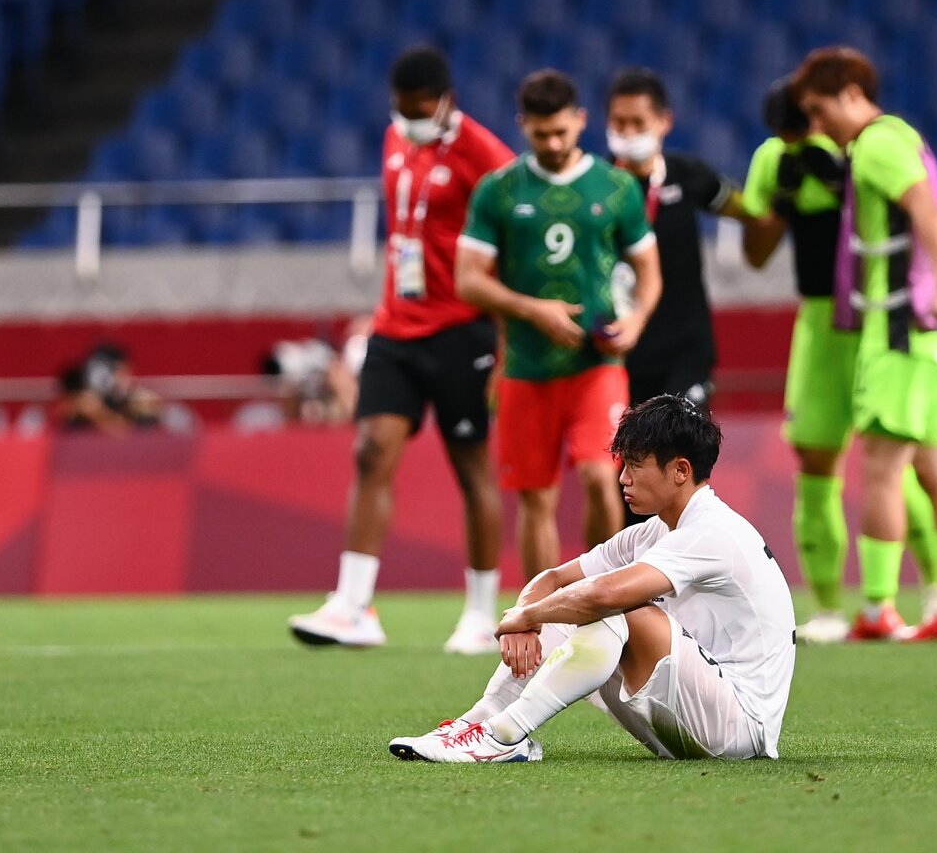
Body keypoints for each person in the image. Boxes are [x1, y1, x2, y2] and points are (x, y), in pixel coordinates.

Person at [387, 394, 796, 762]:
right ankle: (480, 722)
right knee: (581, 601)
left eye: (636, 466)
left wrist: (525, 617)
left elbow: (604, 594)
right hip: (698, 712)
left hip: (741, 730)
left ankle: (503, 737)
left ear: (680, 470)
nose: (623, 479)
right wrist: (525, 616)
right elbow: (552, 579)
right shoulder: (653, 531)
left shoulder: (711, 531)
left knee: (609, 606)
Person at [289, 47, 515, 654]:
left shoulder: (489, 159)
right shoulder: (395, 140)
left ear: (447, 101)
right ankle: (354, 606)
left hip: (462, 329)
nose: (409, 118)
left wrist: (505, 342)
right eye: (401, 109)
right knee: (370, 452)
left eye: (421, 110)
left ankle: (481, 613)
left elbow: (515, 254)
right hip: (396, 326)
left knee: (471, 468)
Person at [791, 46, 937, 643]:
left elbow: (921, 204)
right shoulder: (901, 137)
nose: (817, 127)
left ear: (851, 91)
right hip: (936, 332)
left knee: (880, 471)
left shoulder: (875, 144)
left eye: (820, 111)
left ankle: (877, 609)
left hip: (900, 329)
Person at [741, 79, 937, 644]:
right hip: (820, 323)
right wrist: (780, 205)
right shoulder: (773, 159)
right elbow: (755, 255)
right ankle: (828, 608)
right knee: (814, 460)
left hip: (876, 316)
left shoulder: (861, 147)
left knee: (892, 458)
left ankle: (935, 594)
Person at [455, 69, 662, 577]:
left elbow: (649, 274)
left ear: (580, 121)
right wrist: (533, 309)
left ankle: (602, 607)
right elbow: (468, 280)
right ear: (523, 125)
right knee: (536, 499)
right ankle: (545, 619)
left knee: (599, 475)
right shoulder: (499, 191)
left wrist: (636, 319)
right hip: (525, 367)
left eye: (561, 132)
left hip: (597, 362)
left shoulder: (615, 188)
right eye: (540, 133)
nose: (551, 143)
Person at [604, 68, 752, 412]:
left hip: (686, 352)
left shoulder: (689, 176)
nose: (626, 133)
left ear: (664, 121)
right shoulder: (597, 186)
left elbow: (749, 212)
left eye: (637, 123)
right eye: (618, 122)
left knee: (682, 451)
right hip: (621, 353)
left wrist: (759, 245)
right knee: (625, 463)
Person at [57, 342, 162, 432]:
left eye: (124, 372)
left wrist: (100, 414)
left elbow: (133, 438)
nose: (122, 379)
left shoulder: (139, 402)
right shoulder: (80, 408)